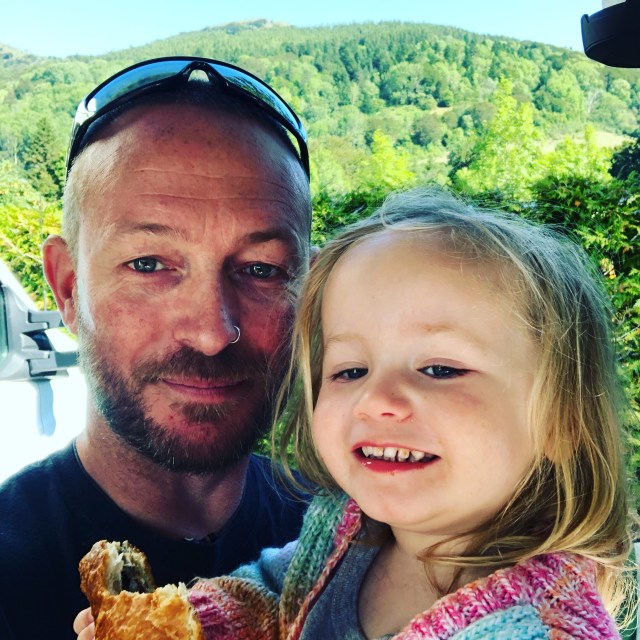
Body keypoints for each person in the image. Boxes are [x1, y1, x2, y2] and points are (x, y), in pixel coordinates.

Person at [75, 187, 636, 639]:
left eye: (440, 368)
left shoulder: (545, 628)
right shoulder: (347, 535)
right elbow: (274, 594)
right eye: (349, 370)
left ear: (561, 421)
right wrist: (196, 624)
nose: (375, 400)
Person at [0, 57, 313, 640]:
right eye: (148, 264)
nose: (211, 332)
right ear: (68, 288)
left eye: (262, 269)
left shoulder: (368, 542)